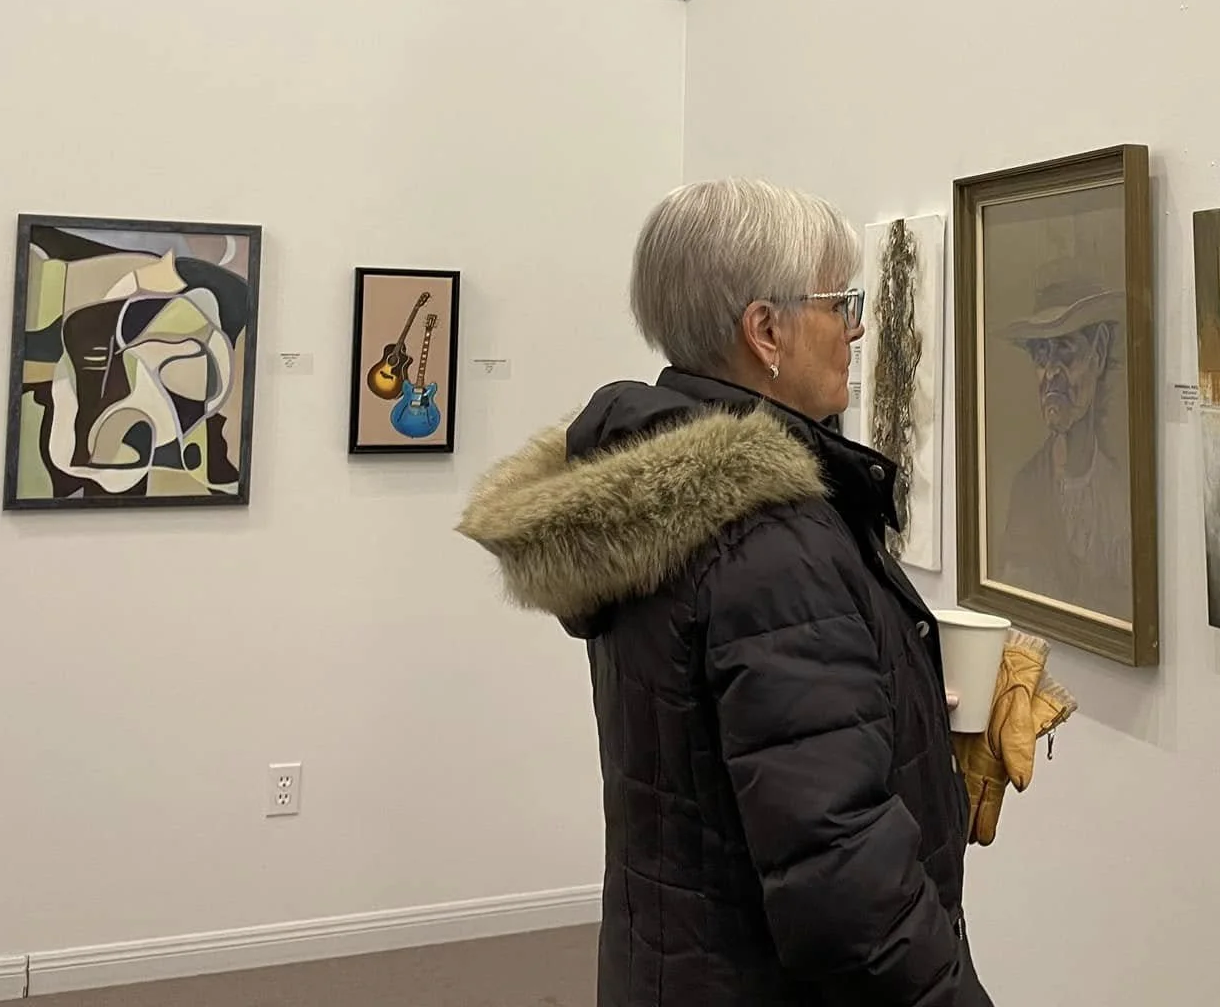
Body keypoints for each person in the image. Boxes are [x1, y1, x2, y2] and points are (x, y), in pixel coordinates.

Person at [459, 179, 992, 1006]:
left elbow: (732, 753)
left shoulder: (653, 497)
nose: (856, 329)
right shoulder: (769, 541)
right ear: (766, 330)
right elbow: (843, 882)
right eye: (840, 303)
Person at [994, 272, 1132, 622]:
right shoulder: (1026, 487)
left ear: (1098, 354)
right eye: (1041, 355)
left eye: (1066, 351)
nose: (1050, 372)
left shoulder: (1120, 494)